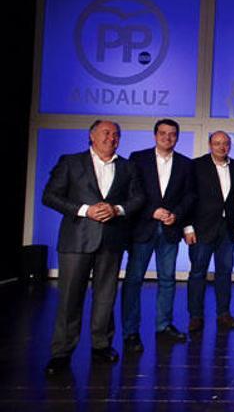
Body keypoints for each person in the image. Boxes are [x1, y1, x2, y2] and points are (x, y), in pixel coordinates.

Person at [42, 120, 144, 376]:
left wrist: (117, 209)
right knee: (69, 299)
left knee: (105, 296)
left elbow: (138, 198)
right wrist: (85, 210)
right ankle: (61, 353)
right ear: (92, 135)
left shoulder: (127, 167)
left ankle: (101, 345)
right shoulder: (70, 162)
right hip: (77, 240)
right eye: (106, 133)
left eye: (116, 134)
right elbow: (50, 195)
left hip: (111, 240)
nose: (111, 138)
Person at [123, 119, 195, 350]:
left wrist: (177, 214)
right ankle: (130, 331)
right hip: (142, 227)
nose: (167, 137)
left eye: (172, 134)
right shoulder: (138, 158)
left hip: (170, 229)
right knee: (134, 281)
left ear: (177, 137)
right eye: (163, 133)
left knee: (167, 280)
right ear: (155, 135)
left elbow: (190, 196)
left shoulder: (186, 164)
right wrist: (151, 211)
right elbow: (131, 192)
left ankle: (163, 325)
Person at [184, 131, 234, 332]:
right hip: (201, 229)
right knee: (197, 273)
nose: (222, 147)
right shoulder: (195, 165)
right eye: (217, 143)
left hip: (227, 229)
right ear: (210, 145)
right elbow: (187, 198)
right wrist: (188, 226)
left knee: (225, 273)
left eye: (226, 143)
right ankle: (195, 316)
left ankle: (224, 314)